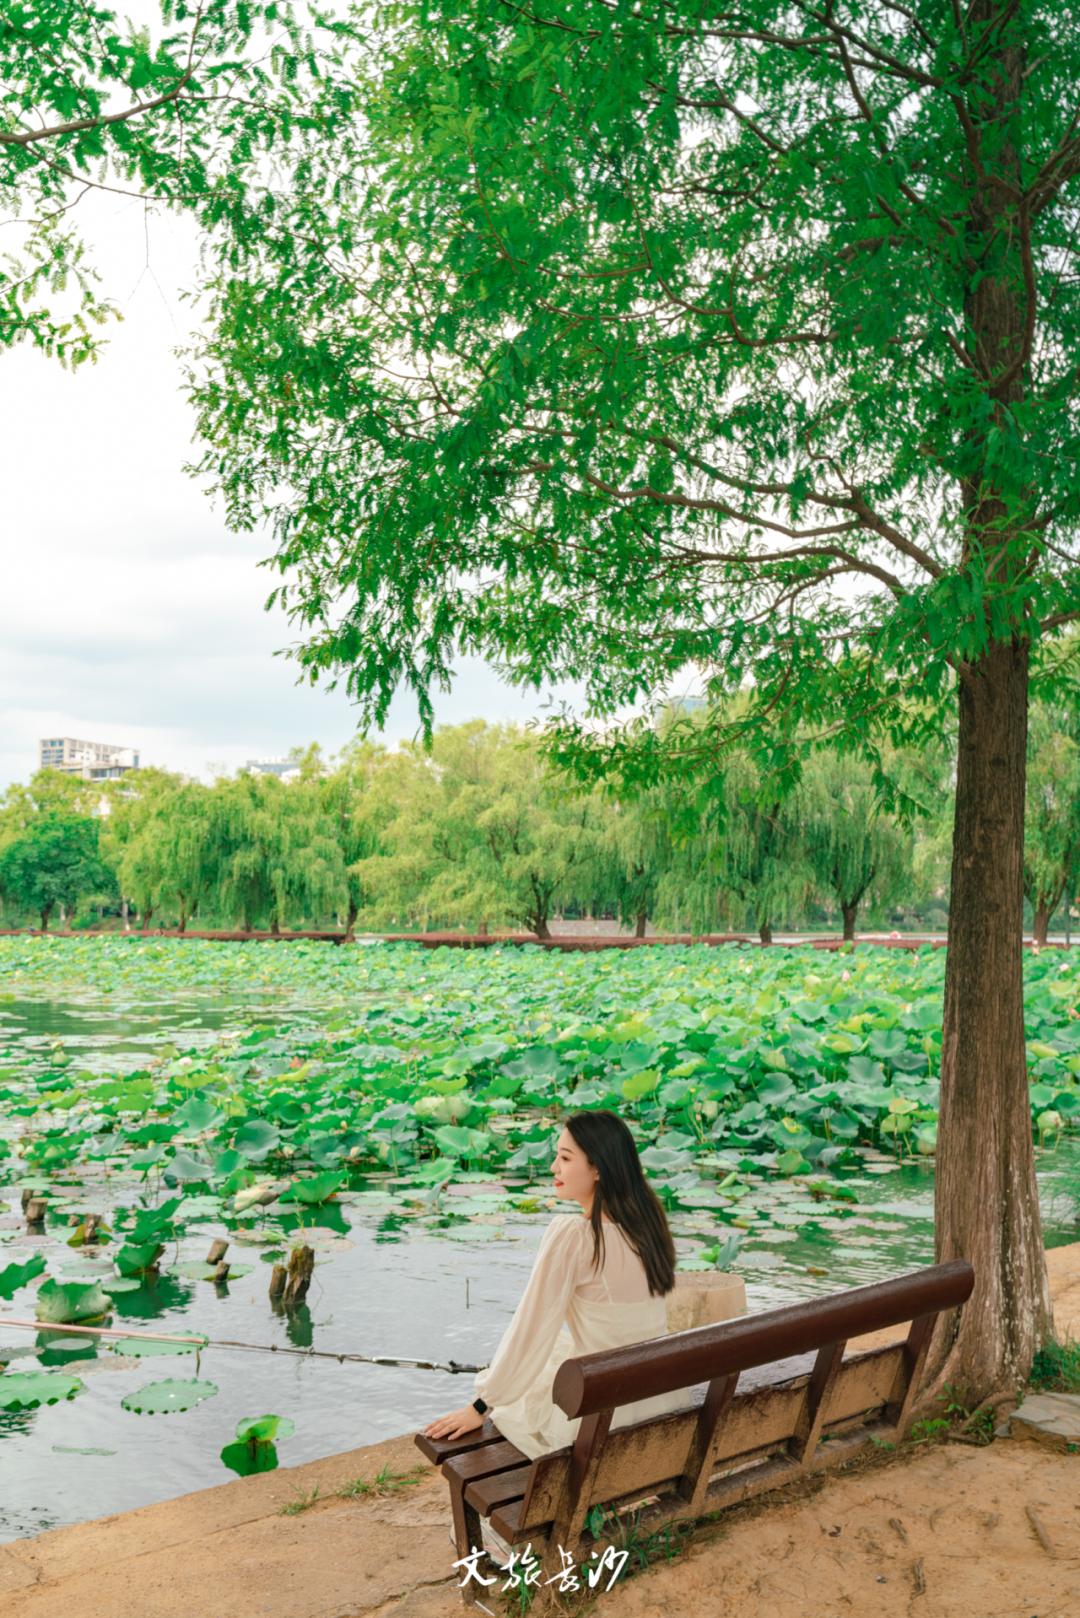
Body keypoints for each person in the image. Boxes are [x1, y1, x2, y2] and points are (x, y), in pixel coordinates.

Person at [421, 1109, 691, 1464]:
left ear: (597, 1169)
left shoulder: (574, 1236)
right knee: (554, 1356)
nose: (553, 1169)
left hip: (601, 1416)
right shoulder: (648, 1225)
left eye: (565, 1158)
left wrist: (481, 1405)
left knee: (523, 1390)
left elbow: (531, 1328)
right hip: (658, 1397)